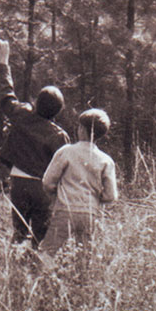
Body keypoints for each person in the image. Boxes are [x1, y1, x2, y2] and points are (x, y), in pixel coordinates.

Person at [0, 39, 70, 250]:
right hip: (42, 188)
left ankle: (15, 270)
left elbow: (6, 96)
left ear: (36, 103)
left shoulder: (22, 115)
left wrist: (3, 63)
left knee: (19, 232)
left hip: (18, 182)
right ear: (58, 112)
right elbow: (65, 168)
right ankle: (35, 270)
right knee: (41, 237)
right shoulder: (59, 135)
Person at [41, 108, 118, 256]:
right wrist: (96, 198)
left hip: (65, 209)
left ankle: (43, 278)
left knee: (48, 252)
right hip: (89, 213)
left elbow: (48, 182)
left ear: (82, 129)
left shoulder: (67, 151)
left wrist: (55, 194)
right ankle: (80, 279)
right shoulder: (106, 160)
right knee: (84, 256)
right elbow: (111, 195)